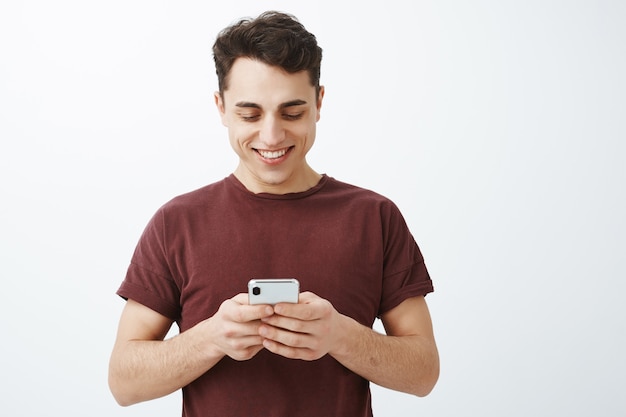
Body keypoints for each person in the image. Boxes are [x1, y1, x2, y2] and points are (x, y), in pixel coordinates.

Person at [108, 10, 439, 417]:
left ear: (319, 102)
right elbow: (123, 383)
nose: (271, 136)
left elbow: (423, 373)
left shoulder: (374, 218)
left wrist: (340, 336)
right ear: (221, 108)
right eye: (250, 114)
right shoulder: (177, 223)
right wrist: (211, 338)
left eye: (292, 112)